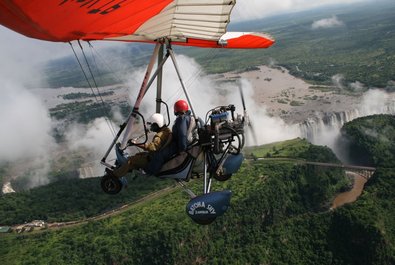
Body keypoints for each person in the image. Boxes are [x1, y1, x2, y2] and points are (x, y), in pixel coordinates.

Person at [111, 113, 171, 177]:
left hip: (151, 160)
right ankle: (127, 169)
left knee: (130, 161)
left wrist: (136, 144)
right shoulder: (167, 131)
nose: (151, 127)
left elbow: (153, 148)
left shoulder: (159, 136)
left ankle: (114, 175)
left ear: (157, 125)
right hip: (156, 156)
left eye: (152, 125)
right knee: (137, 155)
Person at [144, 99, 195, 175]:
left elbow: (182, 134)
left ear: (176, 110)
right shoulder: (189, 117)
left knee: (160, 155)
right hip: (184, 143)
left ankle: (150, 171)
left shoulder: (181, 119)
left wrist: (182, 149)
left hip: (178, 144)